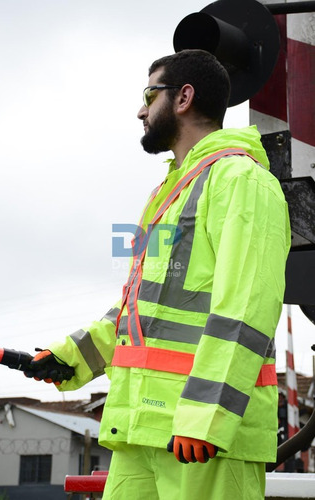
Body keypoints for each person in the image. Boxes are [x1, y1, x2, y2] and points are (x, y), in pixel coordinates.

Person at [25, 49, 291, 499]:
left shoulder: (240, 181)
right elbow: (139, 310)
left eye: (150, 94)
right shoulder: (168, 193)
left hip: (203, 438)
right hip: (141, 429)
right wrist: (73, 355)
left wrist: (208, 417)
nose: (141, 110)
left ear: (184, 97)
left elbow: (246, 309)